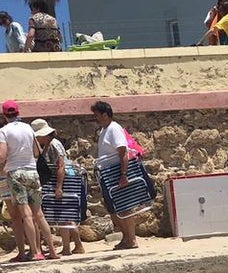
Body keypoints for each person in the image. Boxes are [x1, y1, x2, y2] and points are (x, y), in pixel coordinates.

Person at [0, 100, 59, 261]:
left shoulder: (4, 131)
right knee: (39, 214)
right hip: (32, 172)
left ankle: (35, 252)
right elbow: (37, 152)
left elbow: (2, 156)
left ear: (4, 115)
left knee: (26, 215)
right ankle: (51, 251)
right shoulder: (28, 128)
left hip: (16, 173)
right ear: (18, 113)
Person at [91, 100, 156, 250]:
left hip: (117, 172)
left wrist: (124, 174)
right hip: (109, 175)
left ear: (105, 115)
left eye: (97, 115)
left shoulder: (114, 129)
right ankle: (126, 238)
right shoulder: (105, 131)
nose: (96, 118)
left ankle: (131, 239)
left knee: (124, 206)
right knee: (115, 208)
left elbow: (123, 152)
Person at [31, 120, 85, 256]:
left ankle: (67, 248)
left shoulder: (54, 145)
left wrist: (59, 187)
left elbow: (61, 166)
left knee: (63, 215)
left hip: (64, 180)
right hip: (60, 180)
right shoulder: (48, 145)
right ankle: (78, 245)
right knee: (67, 215)